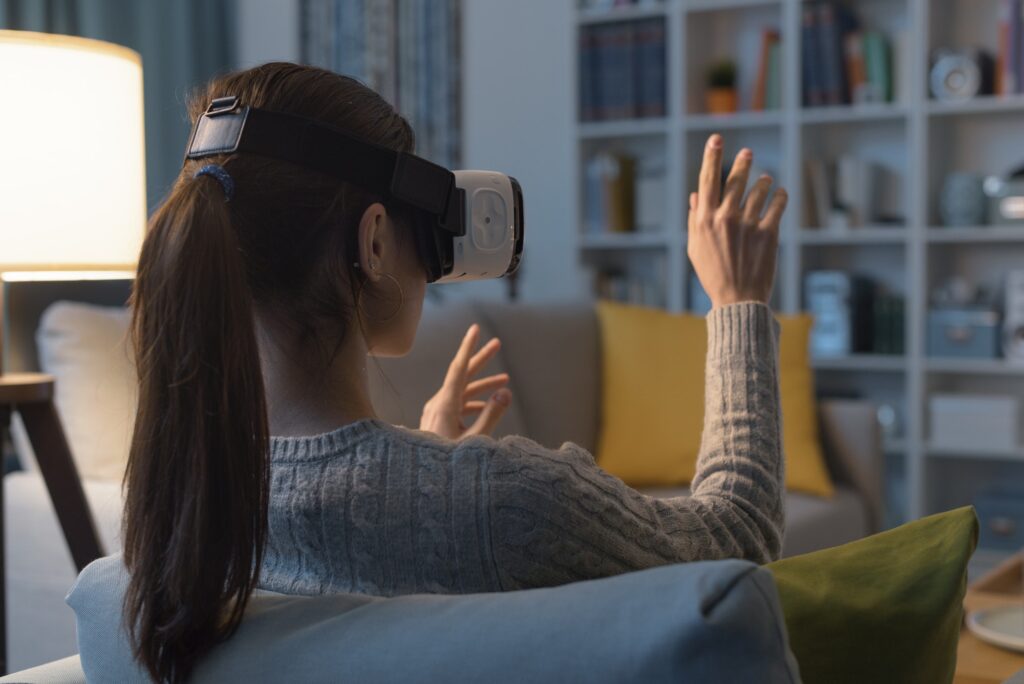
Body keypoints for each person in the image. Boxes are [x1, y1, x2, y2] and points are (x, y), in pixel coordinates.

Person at [123, 62, 788, 683]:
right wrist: (738, 303)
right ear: (375, 241)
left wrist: (424, 454)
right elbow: (737, 545)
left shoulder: (182, 513)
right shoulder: (509, 501)